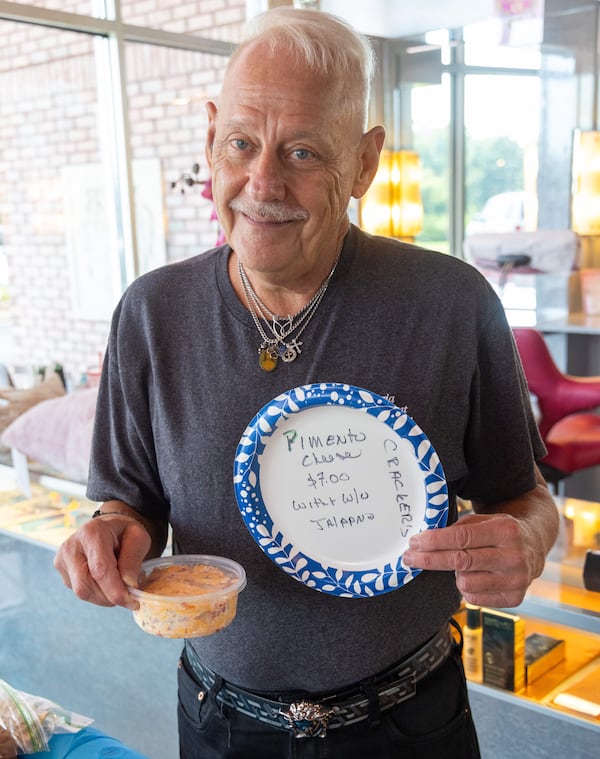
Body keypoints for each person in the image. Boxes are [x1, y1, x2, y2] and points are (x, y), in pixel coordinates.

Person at [54, 7, 559, 759]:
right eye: (242, 144)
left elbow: (525, 496)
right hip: (220, 723)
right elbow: (133, 503)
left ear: (363, 162)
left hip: (409, 723)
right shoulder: (152, 314)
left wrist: (527, 539)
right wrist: (112, 536)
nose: (263, 182)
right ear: (210, 139)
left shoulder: (451, 304)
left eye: (302, 152)